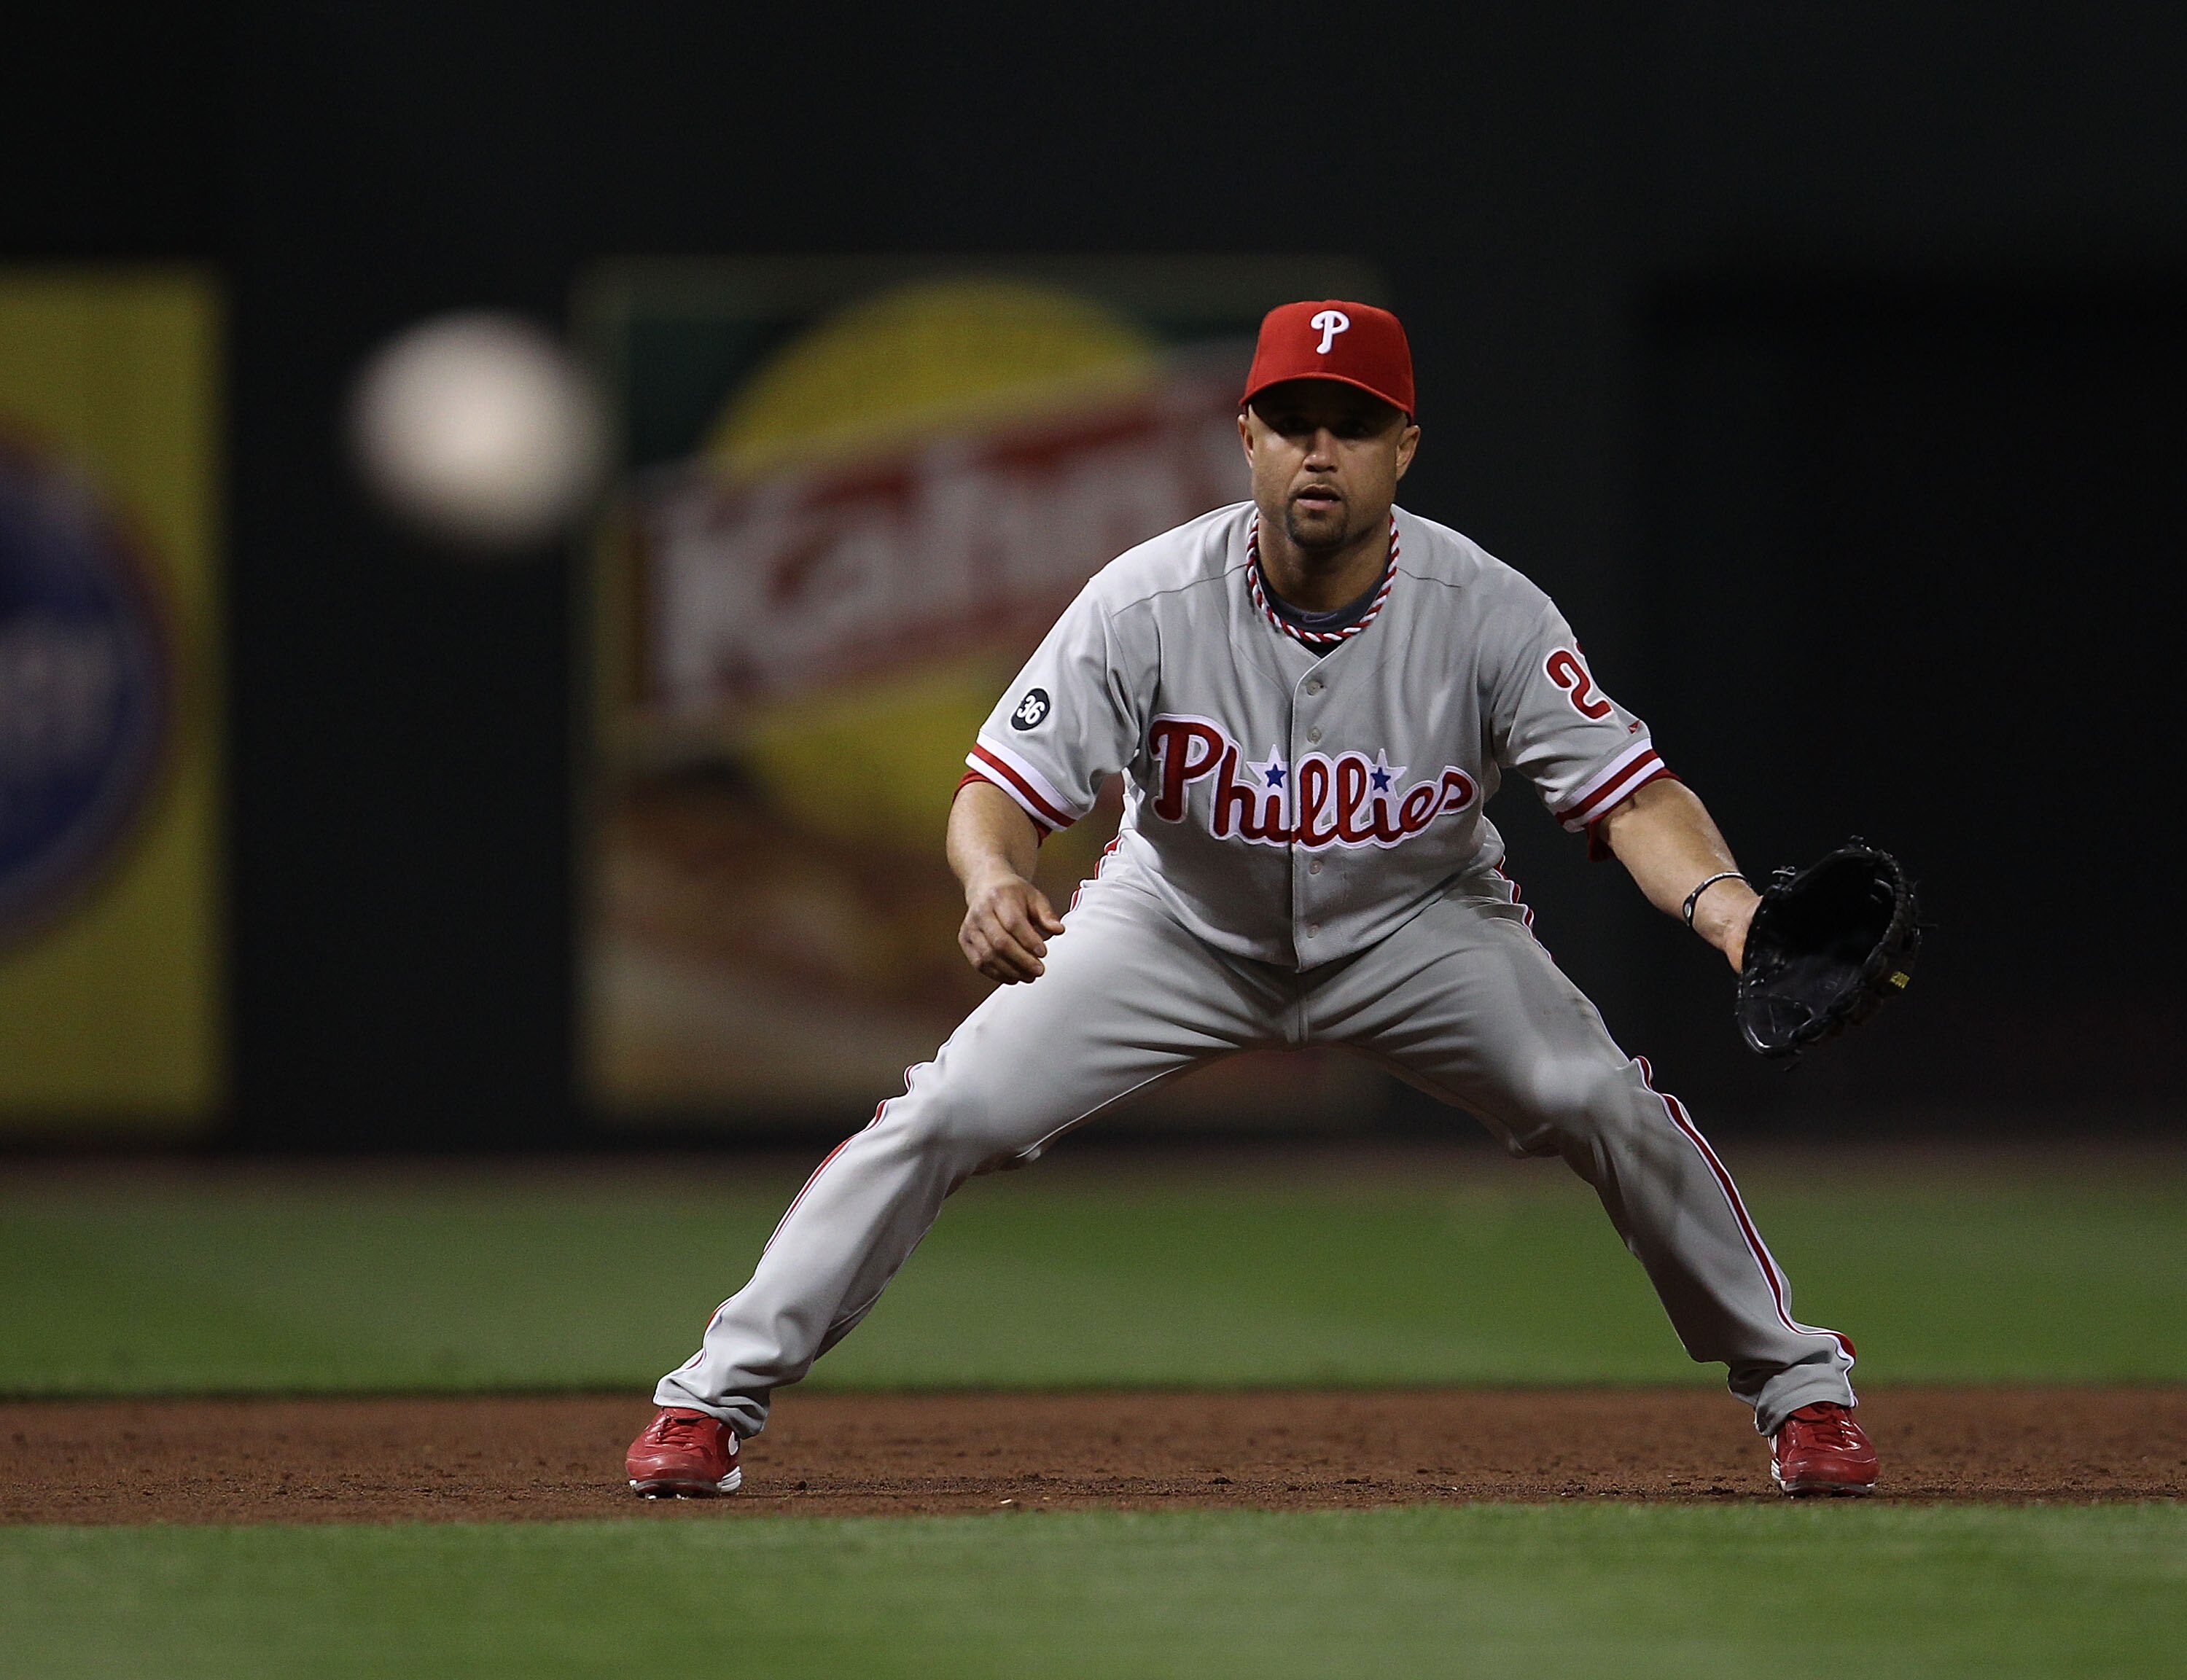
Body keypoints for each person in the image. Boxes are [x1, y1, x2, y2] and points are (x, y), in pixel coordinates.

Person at [625, 300, 1878, 1501]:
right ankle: (710, 1398)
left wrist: (1729, 912)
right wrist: (995, 873)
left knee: (1601, 1099)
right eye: (1291, 421)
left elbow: (1628, 792)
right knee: (946, 1108)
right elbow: (995, 788)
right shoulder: (1146, 597)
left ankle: (1802, 1389)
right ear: (1248, 441)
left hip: (1421, 930)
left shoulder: (1487, 608)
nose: (1317, 450)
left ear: (1405, 446)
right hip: (1177, 928)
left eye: (1350, 421)